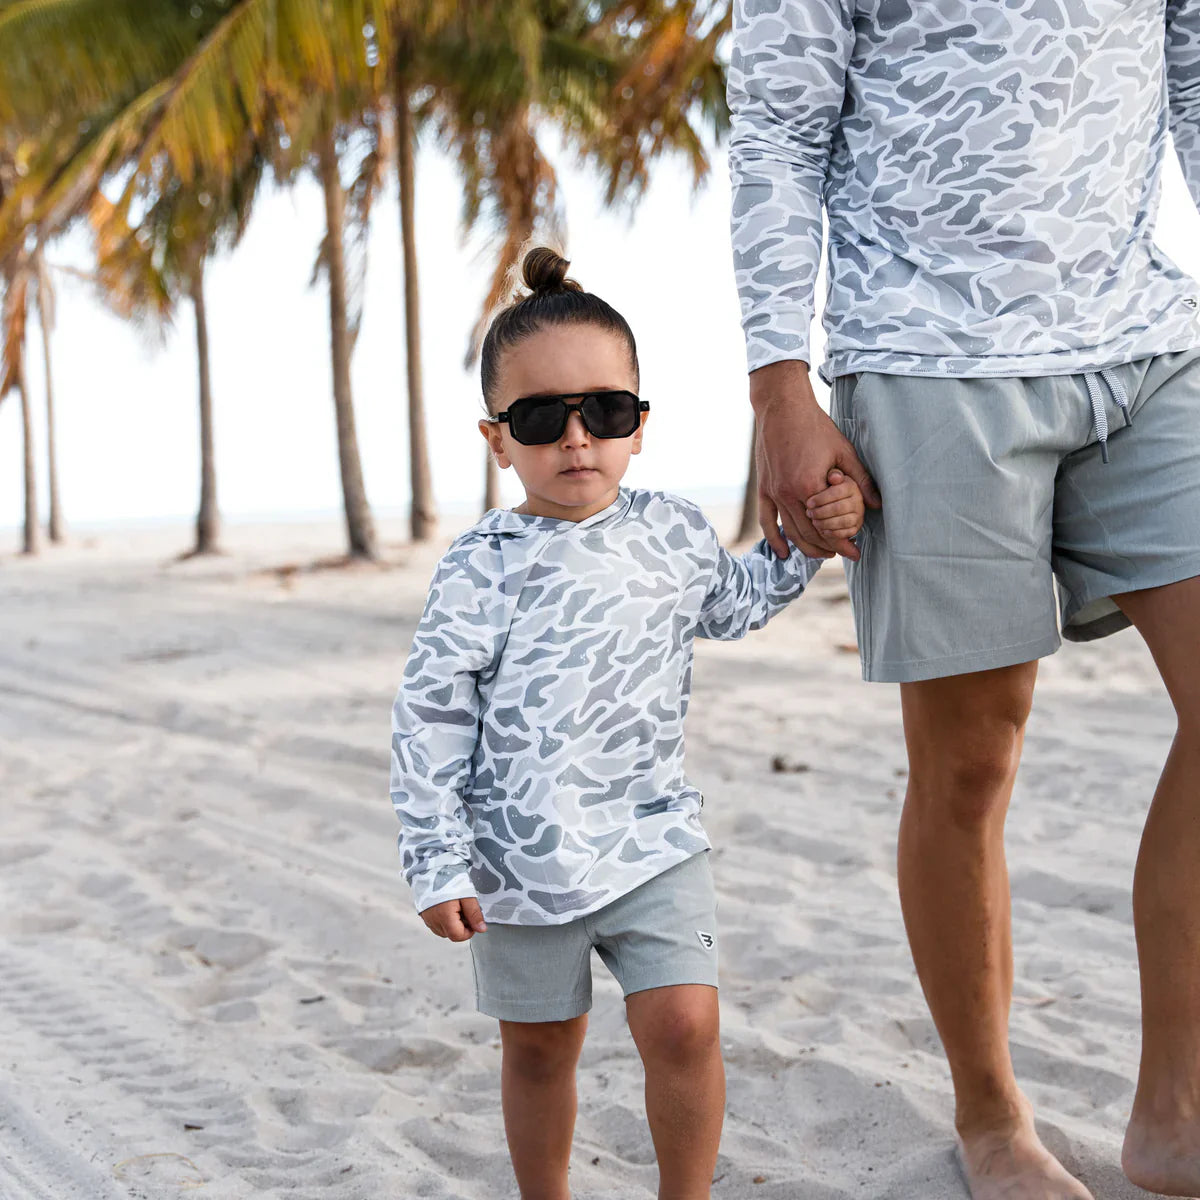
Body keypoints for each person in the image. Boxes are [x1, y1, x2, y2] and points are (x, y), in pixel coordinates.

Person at [727, 2, 1200, 1198]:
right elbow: (778, 125)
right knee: (971, 762)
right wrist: (781, 390)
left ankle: (1177, 1112)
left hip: (1148, 339)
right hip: (928, 354)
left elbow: (1194, 73)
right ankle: (992, 1121)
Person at [388, 245, 863, 1200]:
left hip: (653, 838)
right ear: (497, 440)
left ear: (639, 424)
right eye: (540, 418)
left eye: (604, 411)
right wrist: (435, 859)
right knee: (539, 1049)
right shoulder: (482, 565)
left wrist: (815, 533)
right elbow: (431, 713)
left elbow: (737, 601)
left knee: (687, 1026)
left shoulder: (674, 531)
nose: (576, 438)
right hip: (518, 859)